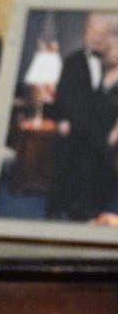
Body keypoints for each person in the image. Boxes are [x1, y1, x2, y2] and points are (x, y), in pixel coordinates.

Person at [46, 13, 118, 220]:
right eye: (92, 31)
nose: (96, 37)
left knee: (97, 153)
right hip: (76, 126)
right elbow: (63, 99)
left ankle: (92, 208)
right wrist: (62, 121)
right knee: (74, 150)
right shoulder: (73, 61)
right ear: (85, 32)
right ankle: (61, 209)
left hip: (100, 128)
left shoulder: (110, 62)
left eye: (102, 33)